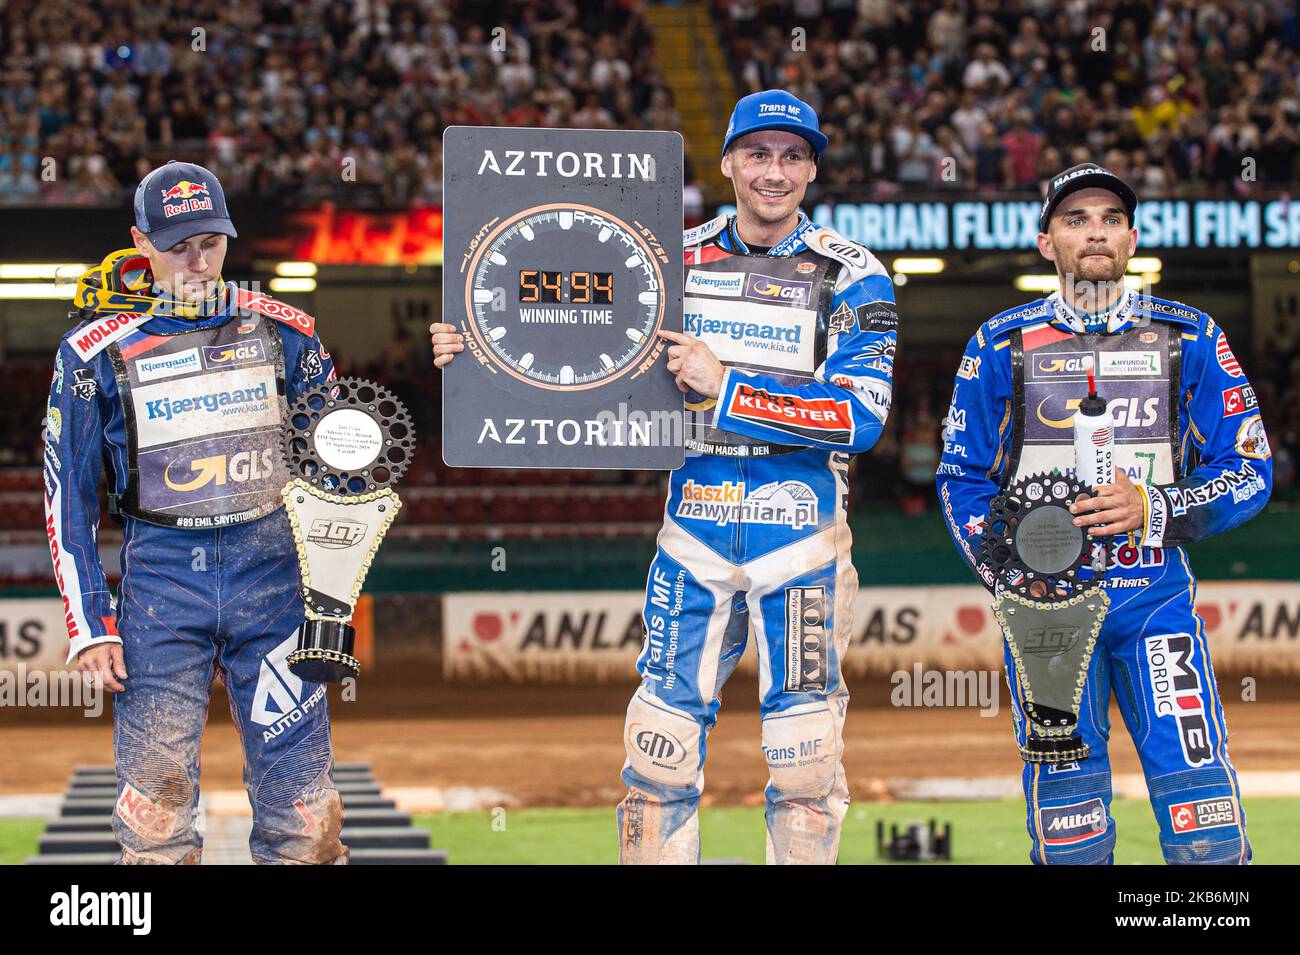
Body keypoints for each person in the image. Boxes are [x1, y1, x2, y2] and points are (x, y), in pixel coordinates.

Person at [432, 90, 898, 864]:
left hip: (805, 539)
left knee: (806, 751)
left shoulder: (853, 275)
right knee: (658, 747)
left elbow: (862, 415)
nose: (773, 172)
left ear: (812, 168)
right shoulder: (671, 257)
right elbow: (576, 345)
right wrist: (476, 351)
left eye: (791, 156)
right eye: (757, 153)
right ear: (727, 163)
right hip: (694, 530)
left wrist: (729, 386)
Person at [936, 163, 1270, 864]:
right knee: (1070, 831)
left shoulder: (1190, 336)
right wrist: (1007, 574)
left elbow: (1251, 470)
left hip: (1155, 605)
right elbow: (960, 476)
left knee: (1204, 821)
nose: (1095, 231)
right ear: (1044, 241)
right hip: (1047, 621)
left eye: (1111, 219)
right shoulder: (999, 344)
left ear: (1132, 237)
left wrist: (1156, 506)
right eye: (1075, 219)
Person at [44, 160, 347, 864]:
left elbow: (338, 467)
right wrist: (91, 625)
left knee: (306, 819)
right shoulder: (91, 354)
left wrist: (331, 592)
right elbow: (70, 500)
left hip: (273, 585)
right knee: (155, 820)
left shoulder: (287, 331)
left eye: (210, 241)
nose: (197, 260)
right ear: (140, 243)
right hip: (160, 588)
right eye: (178, 244)